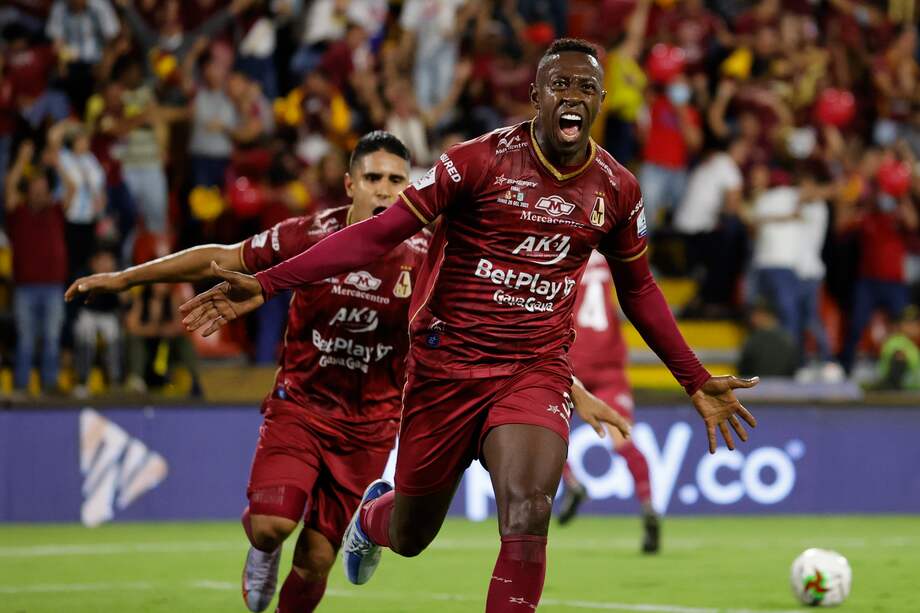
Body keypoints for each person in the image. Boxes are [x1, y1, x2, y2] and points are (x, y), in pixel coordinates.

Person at [180, 40, 759, 611]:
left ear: (601, 101)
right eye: (560, 84)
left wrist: (694, 378)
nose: (573, 96)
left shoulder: (617, 188)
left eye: (586, 86)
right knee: (410, 535)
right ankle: (374, 521)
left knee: (530, 510)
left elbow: (640, 289)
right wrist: (270, 280)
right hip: (445, 369)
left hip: (534, 369)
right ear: (535, 96)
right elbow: (377, 235)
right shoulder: (476, 162)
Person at [67, 130, 632, 613]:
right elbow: (222, 255)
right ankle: (261, 552)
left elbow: (491, 331)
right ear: (350, 184)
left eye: (396, 181)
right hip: (301, 409)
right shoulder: (312, 237)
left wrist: (571, 388)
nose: (385, 191)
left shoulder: (429, 249)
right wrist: (123, 280)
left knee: (316, 558)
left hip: (371, 427)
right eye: (373, 179)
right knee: (271, 526)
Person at [559, 252, 659, 554]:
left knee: (547, 429)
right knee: (623, 438)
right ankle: (649, 506)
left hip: (572, 359)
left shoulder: (563, 250)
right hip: (609, 362)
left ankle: (572, 482)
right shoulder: (612, 255)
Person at [6, 140, 69, 395]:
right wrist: (22, 159)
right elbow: (9, 187)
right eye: (35, 189)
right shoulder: (18, 213)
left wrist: (58, 164)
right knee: (26, 340)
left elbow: (72, 189)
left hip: (53, 286)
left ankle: (49, 386)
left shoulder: (55, 211)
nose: (39, 194)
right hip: (25, 287)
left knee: (52, 339)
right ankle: (22, 388)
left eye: (43, 189)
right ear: (28, 191)